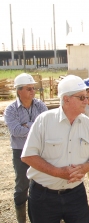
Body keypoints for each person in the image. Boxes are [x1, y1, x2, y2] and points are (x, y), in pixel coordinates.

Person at [21, 75, 89, 223]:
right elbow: (28, 156)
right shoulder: (44, 121)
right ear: (66, 99)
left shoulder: (87, 123)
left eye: (86, 96)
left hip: (76, 195)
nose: (87, 100)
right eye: (82, 97)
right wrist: (58, 173)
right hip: (44, 197)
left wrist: (87, 166)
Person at [4, 73, 48, 223]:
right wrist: (35, 126)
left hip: (39, 151)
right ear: (19, 91)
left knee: (43, 183)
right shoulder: (10, 110)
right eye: (29, 88)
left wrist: (26, 126)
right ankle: (21, 219)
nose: (32, 91)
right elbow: (15, 131)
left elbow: (46, 128)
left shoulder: (40, 105)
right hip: (20, 152)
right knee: (22, 186)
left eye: (33, 88)